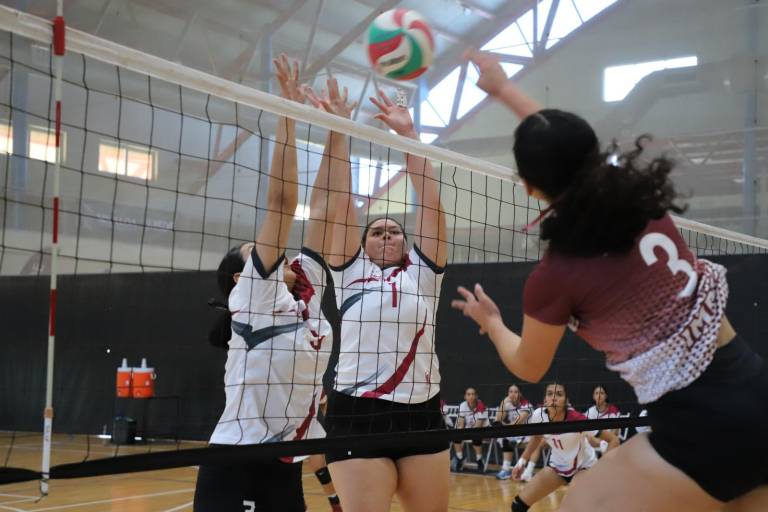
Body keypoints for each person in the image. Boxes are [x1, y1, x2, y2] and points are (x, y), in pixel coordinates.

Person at [451, 49, 768, 512]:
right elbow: (570, 151)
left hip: (702, 429)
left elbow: (529, 367)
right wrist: (502, 89)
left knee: (580, 504)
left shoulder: (555, 277)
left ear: (527, 186)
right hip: (755, 386)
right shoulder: (638, 199)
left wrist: (492, 321)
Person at [193, 55, 353, 512]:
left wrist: (337, 130)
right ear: (239, 277)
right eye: (253, 248)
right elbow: (283, 203)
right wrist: (288, 112)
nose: (267, 249)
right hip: (235, 460)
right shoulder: (253, 293)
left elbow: (327, 208)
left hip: (285, 464)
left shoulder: (304, 287)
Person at [323, 89, 449, 512]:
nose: (386, 234)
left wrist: (409, 135)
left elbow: (431, 203)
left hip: (422, 412)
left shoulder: (423, 275)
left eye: (394, 230)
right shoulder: (349, 274)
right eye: (376, 230)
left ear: (406, 241)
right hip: (358, 415)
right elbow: (340, 207)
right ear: (363, 244)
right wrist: (339, 131)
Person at [508, 383, 618, 512]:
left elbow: (613, 439)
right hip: (557, 467)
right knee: (517, 506)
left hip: (584, 468)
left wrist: (603, 470)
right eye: (549, 394)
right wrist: (521, 462)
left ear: (566, 401)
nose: (553, 398)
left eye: (559, 394)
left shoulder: (578, 420)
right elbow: (537, 437)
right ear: (545, 399)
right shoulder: (539, 415)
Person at [494, 384, 532, 479]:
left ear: (520, 394)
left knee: (510, 439)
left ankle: (522, 469)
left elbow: (517, 422)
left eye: (515, 392)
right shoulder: (507, 405)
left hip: (528, 433)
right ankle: (506, 470)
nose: (513, 394)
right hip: (514, 433)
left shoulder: (526, 405)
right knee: (505, 438)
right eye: (510, 392)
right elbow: (498, 420)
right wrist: (502, 403)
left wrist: (505, 426)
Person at [452, 387, 489, 473]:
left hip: (483, 430)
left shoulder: (481, 406)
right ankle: (460, 458)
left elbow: (478, 426)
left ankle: (479, 460)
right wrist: (460, 433)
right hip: (469, 430)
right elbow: (461, 424)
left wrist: (466, 434)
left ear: (476, 396)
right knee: (456, 434)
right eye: (469, 394)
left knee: (476, 435)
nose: (471, 396)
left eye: (473, 394)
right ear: (465, 396)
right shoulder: (463, 405)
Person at [585, 385, 620, 454]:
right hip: (595, 440)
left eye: (601, 393)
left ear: (606, 396)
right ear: (593, 396)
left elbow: (616, 430)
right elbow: (586, 430)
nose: (599, 395)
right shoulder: (590, 411)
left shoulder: (613, 409)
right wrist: (599, 441)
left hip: (610, 439)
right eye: (596, 393)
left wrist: (606, 439)